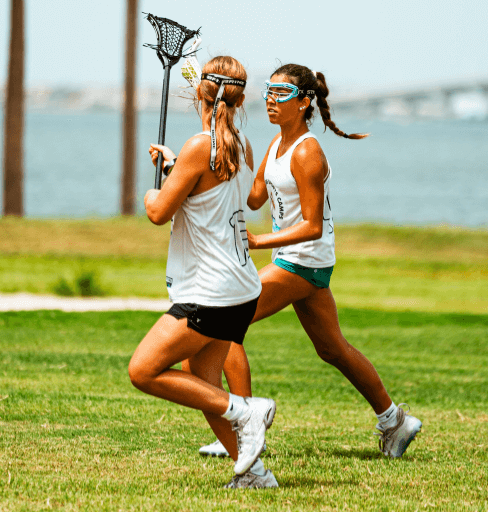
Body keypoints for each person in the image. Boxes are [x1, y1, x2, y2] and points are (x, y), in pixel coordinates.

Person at [198, 63, 421, 461]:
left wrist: (259, 240)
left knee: (226, 318)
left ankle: (242, 423)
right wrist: (193, 167)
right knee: (332, 349)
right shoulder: (275, 146)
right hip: (296, 260)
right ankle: (395, 421)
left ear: (303, 103)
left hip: (304, 260)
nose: (270, 100)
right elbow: (251, 199)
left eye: (280, 94)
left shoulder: (308, 152)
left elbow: (313, 225)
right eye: (267, 92)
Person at [128, 56, 279, 490]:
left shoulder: (201, 146)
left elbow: (159, 212)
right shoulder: (242, 145)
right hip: (240, 288)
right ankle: (254, 474)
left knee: (145, 370)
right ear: (241, 98)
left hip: (208, 291)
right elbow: (209, 193)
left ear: (201, 93)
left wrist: (151, 190)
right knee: (204, 380)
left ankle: (245, 410)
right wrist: (177, 167)